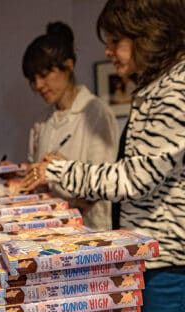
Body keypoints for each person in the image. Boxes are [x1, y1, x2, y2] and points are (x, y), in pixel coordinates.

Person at [22, 1, 185, 312]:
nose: (111, 53)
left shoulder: (177, 87)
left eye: (116, 41)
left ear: (148, 34)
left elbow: (134, 177)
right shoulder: (156, 89)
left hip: (170, 267)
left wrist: (61, 173)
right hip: (153, 262)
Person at [22, 21, 118, 230]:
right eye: (33, 79)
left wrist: (62, 170)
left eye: (44, 75)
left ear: (68, 65)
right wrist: (16, 174)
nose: (38, 85)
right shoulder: (41, 121)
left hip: (91, 231)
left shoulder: (96, 113)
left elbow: (105, 185)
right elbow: (35, 175)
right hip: (51, 230)